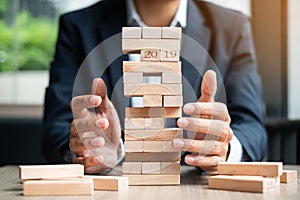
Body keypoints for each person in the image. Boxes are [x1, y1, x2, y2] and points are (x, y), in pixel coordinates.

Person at [43, 0, 267, 174]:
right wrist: (88, 147)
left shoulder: (233, 28)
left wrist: (224, 148)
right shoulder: (78, 27)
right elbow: (57, 128)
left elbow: (252, 127)